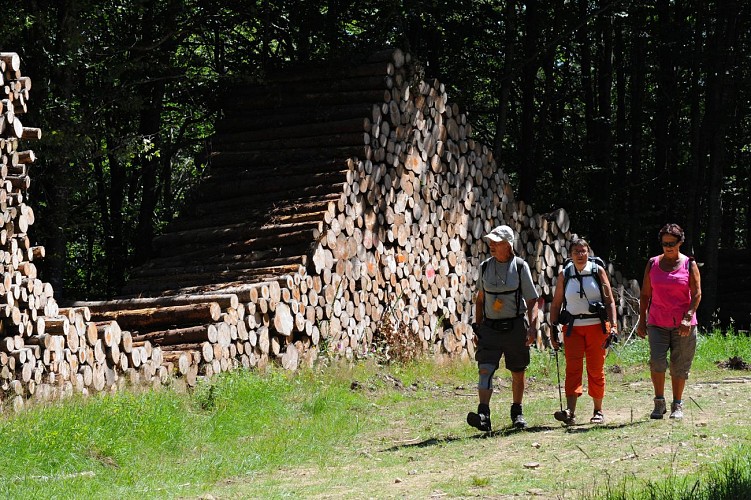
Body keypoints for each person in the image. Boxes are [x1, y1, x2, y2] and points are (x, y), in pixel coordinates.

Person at [467, 224, 540, 431]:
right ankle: (483, 415)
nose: (491, 245)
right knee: (485, 369)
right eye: (491, 241)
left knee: (518, 371)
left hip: (516, 326)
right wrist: (477, 328)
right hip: (489, 328)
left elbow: (532, 300)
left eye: (497, 242)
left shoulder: (519, 266)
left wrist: (532, 328)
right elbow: (480, 300)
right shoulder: (485, 267)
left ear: (508, 245)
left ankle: (517, 412)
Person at [549, 238, 618, 425]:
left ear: (588, 252)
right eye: (576, 251)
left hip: (596, 327)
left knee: (596, 369)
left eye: (583, 251)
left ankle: (598, 410)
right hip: (572, 329)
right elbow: (556, 304)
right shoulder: (565, 274)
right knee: (573, 369)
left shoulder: (598, 271)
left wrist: (613, 326)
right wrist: (553, 328)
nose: (580, 255)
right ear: (570, 255)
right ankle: (570, 412)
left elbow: (609, 301)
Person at [637, 223, 701, 420]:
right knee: (657, 362)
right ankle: (659, 403)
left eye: (672, 243)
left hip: (683, 324)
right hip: (657, 322)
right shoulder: (653, 263)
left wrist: (688, 317)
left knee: (679, 365)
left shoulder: (689, 264)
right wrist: (642, 320)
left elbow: (697, 293)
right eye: (665, 243)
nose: (668, 247)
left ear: (680, 242)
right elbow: (646, 294)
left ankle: (677, 405)